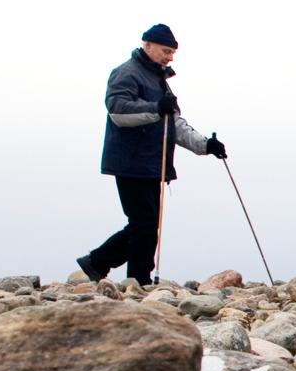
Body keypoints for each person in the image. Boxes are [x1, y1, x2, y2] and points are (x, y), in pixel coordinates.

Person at [78, 24, 227, 285]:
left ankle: (101, 264)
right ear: (147, 45)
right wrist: (156, 107)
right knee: (144, 223)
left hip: (151, 163)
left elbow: (174, 123)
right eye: (166, 51)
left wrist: (206, 145)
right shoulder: (126, 73)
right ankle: (135, 277)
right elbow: (118, 112)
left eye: (172, 53)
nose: (170, 57)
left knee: (145, 224)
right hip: (130, 161)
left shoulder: (159, 81)